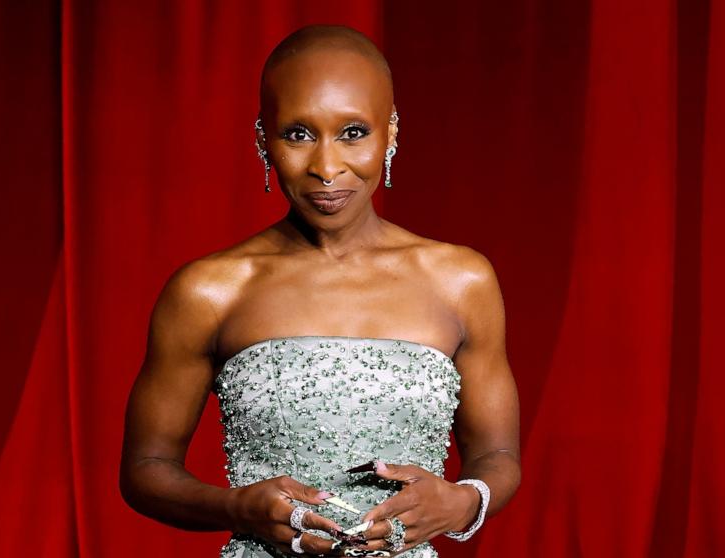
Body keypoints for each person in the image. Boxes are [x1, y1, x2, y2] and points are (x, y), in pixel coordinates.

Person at [119, 24, 520, 557]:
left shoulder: (460, 280)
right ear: (263, 138)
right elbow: (146, 470)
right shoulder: (210, 291)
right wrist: (237, 507)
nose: (327, 168)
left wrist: (464, 502)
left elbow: (497, 454)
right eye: (298, 134)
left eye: (353, 132)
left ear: (391, 132)